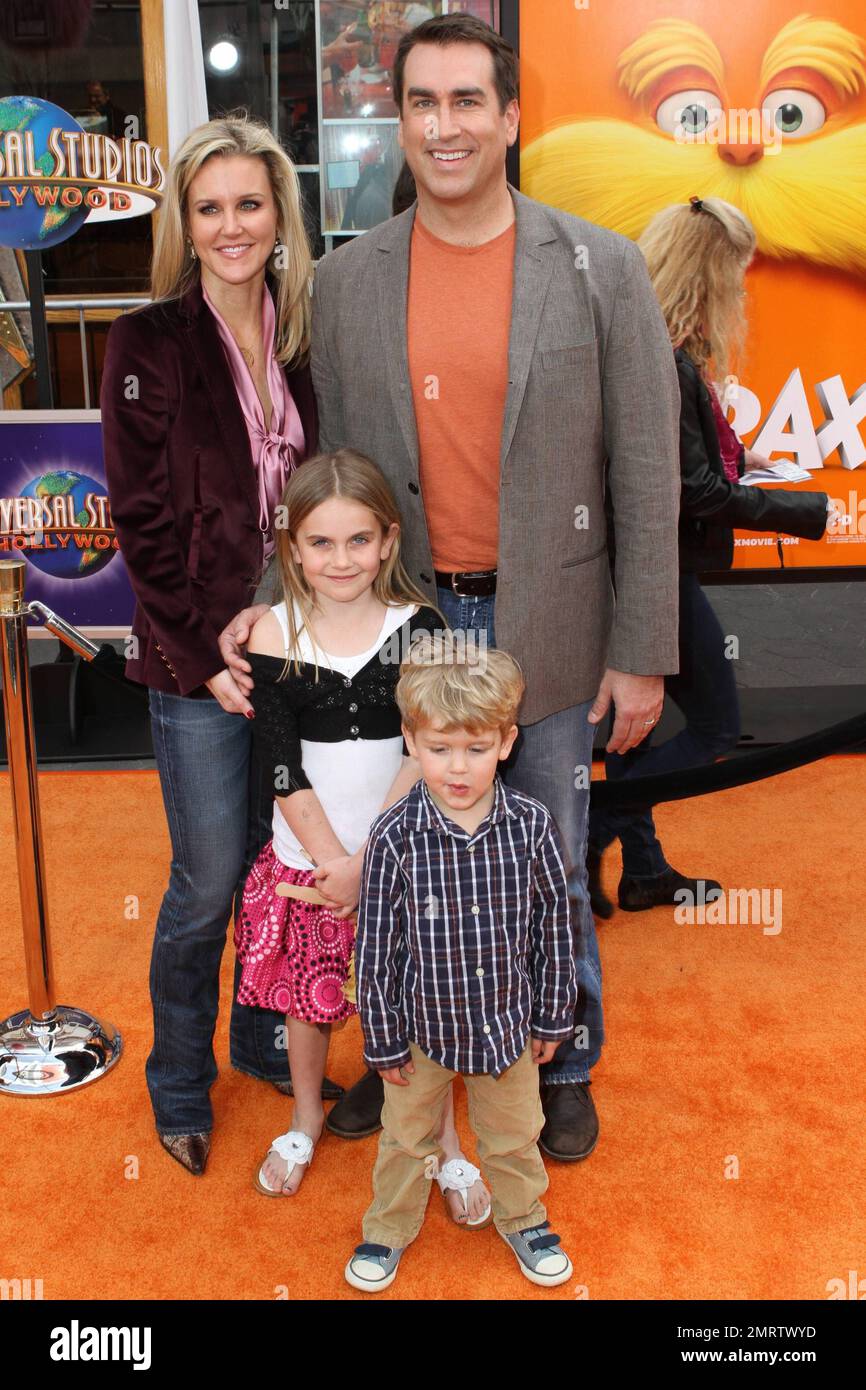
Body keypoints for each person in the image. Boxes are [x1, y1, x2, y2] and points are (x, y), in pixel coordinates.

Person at [219, 13, 683, 1163]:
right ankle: (407, 1057)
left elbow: (643, 471)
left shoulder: (599, 266)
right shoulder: (351, 279)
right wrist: (269, 611)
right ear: (401, 118)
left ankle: (559, 1060)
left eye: (466, 100)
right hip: (403, 628)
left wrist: (643, 646)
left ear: (509, 116)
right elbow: (310, 467)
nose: (444, 124)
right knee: (407, 856)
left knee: (548, 858)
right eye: (420, 102)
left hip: (555, 621)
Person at [100, 114, 321, 1176]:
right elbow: (140, 524)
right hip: (192, 659)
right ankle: (179, 1081)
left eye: (247, 203)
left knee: (272, 866)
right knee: (203, 877)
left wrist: (286, 634)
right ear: (183, 225)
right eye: (208, 207)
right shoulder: (146, 343)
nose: (230, 225)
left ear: (278, 213)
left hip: (296, 644)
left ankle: (253, 1035)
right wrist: (209, 656)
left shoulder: (305, 333)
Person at [241, 449, 491, 1214]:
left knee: (422, 1005)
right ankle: (306, 1118)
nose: (341, 559)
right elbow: (280, 769)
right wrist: (331, 865)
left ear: (388, 541)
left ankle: (445, 1144)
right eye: (321, 542)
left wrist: (369, 862)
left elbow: (430, 749)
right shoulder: (273, 632)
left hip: (406, 860)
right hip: (308, 862)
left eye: (358, 541)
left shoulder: (421, 627)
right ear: (292, 548)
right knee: (308, 1002)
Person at [587, 197, 830, 916]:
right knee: (717, 725)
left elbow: (690, 460)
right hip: (653, 569)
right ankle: (598, 824)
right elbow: (691, 490)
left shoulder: (651, 345)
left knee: (635, 725)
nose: (742, 292)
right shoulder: (662, 356)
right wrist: (806, 512)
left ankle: (644, 869)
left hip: (635, 566)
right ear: (707, 273)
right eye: (736, 274)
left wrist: (746, 459)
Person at [345, 645, 577, 1293]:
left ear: (506, 742)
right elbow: (377, 947)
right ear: (411, 741)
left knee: (513, 1137)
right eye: (440, 747)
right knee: (405, 1141)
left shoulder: (531, 826)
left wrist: (555, 1013)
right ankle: (387, 1230)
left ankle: (525, 1219)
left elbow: (554, 928)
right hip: (419, 1032)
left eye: (475, 748)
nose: (457, 767)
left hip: (507, 1028)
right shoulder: (393, 835)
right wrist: (382, 1037)